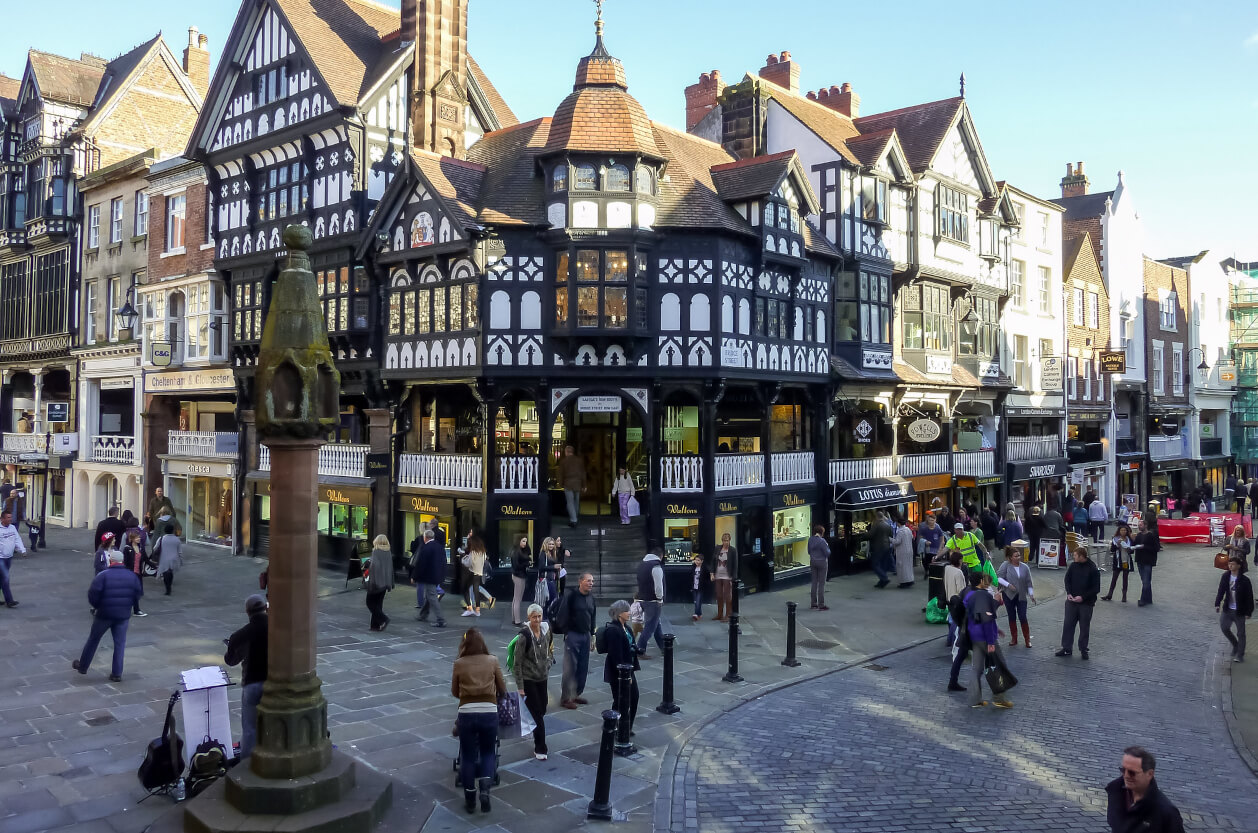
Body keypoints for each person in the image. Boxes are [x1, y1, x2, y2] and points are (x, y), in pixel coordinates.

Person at [450, 628, 506, 814]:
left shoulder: (459, 663)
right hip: (489, 712)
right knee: (488, 752)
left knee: (467, 755)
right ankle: (485, 789)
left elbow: (454, 692)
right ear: (482, 643)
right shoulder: (492, 660)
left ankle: (470, 798)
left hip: (466, 713)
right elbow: (502, 689)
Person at [72, 550, 143, 682]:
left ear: (111, 560)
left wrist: (98, 606)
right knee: (120, 644)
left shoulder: (102, 575)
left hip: (104, 614)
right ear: (122, 561)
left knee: (93, 639)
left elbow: (93, 594)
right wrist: (128, 605)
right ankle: (117, 673)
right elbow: (138, 594)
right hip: (123, 615)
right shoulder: (132, 576)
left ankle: (83, 666)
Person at [224, 594, 268, 757]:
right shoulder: (278, 627)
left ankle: (248, 763)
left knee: (250, 727)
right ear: (265, 608)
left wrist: (231, 647)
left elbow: (231, 660)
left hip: (252, 683)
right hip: (276, 682)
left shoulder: (241, 635)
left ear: (247, 611)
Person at [963, 569, 1013, 709]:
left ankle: (974, 700)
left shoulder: (969, 594)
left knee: (976, 669)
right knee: (999, 665)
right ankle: (999, 698)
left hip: (974, 636)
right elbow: (986, 617)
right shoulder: (983, 596)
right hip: (986, 637)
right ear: (980, 582)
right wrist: (991, 641)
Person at [1105, 746, 1185, 833]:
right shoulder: (1116, 792)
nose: (1126, 776)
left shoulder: (1166, 812)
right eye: (1123, 770)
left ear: (1150, 774)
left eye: (1132, 773)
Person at [512, 604, 553, 761]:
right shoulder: (524, 636)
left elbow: (550, 650)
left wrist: (547, 664)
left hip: (542, 677)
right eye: (534, 617)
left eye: (539, 616)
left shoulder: (545, 631)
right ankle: (540, 747)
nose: (537, 620)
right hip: (529, 679)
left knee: (542, 709)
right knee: (537, 714)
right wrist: (520, 687)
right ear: (529, 618)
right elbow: (517, 663)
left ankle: (530, 725)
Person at [554, 572, 597, 708]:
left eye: (592, 581)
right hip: (573, 635)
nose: (591, 583)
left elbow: (593, 615)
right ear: (580, 582)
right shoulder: (571, 596)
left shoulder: (591, 598)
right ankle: (565, 698)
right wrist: (566, 632)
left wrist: (593, 635)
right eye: (588, 581)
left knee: (583, 667)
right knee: (570, 668)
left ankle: (576, 694)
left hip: (586, 635)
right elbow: (561, 615)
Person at [600, 600, 640, 736]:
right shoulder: (613, 630)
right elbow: (615, 656)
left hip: (628, 669)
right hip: (619, 672)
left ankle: (627, 726)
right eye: (627, 611)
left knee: (633, 697)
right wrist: (624, 676)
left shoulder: (627, 628)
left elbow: (630, 645)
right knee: (620, 699)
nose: (629, 613)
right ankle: (615, 726)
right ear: (619, 613)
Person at [1056, 546, 1100, 660]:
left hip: (1086, 603)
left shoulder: (1092, 569)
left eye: (1075, 555)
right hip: (1072, 601)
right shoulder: (1073, 565)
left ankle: (1083, 649)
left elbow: (1096, 588)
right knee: (1068, 625)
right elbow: (1067, 580)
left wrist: (1083, 597)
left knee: (1084, 627)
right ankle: (1066, 648)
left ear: (1081, 556)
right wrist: (1069, 593)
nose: (1073, 557)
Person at [1216, 555, 1253, 663]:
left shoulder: (1245, 580)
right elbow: (1221, 590)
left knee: (1241, 633)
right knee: (1224, 627)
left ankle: (1240, 655)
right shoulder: (1226, 576)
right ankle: (1235, 644)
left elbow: (1249, 596)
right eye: (1229, 564)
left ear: (1238, 566)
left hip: (1240, 611)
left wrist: (1248, 612)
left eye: (1232, 564)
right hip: (1228, 608)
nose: (1230, 566)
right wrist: (1217, 603)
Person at [997, 546, 1034, 647]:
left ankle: (1027, 639)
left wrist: (1031, 594)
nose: (1019, 557)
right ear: (1010, 558)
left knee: (1022, 616)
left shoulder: (1025, 567)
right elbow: (999, 578)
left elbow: (1028, 582)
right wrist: (1008, 585)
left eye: (1019, 555)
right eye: (1016, 556)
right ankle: (1014, 638)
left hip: (1021, 595)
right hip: (1008, 595)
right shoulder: (1005, 565)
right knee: (1011, 616)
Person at [634, 548, 667, 658]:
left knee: (656, 624)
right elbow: (658, 585)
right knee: (650, 626)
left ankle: (663, 647)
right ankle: (640, 649)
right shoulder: (656, 566)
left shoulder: (642, 565)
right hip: (653, 600)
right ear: (660, 556)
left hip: (643, 598)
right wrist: (660, 598)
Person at [411, 528, 447, 627]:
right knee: (429, 596)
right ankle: (423, 614)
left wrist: (414, 576)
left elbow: (421, 564)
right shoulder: (439, 547)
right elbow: (444, 563)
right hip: (437, 576)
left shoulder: (426, 548)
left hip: (429, 576)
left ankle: (441, 620)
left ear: (425, 537)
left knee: (432, 597)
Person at [365, 534, 394, 631]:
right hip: (385, 582)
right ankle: (375, 625)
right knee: (378, 603)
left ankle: (383, 619)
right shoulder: (388, 552)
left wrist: (368, 563)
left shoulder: (376, 552)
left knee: (370, 602)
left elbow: (374, 566)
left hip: (376, 582)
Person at [460, 531, 492, 617]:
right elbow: (483, 561)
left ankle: (470, 609)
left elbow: (468, 563)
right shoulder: (482, 552)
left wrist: (463, 558)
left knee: (465, 589)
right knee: (476, 591)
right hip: (479, 573)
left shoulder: (473, 552)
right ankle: (477, 611)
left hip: (472, 573)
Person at [1131, 518, 1162, 607]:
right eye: (1138, 525)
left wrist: (1144, 547)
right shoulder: (1139, 535)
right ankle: (1149, 598)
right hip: (1140, 560)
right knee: (1145, 580)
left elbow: (1156, 548)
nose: (1139, 527)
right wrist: (1133, 541)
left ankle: (1143, 599)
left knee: (1146, 580)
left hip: (1148, 560)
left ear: (1145, 526)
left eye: (1140, 525)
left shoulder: (1151, 535)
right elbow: (1134, 546)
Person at [0, 508, 25, 608]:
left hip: (9, 557)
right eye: (8, 517)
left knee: (1, 579)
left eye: (11, 517)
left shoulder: (12, 528)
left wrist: (22, 550)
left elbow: (17, 539)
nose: (11, 519)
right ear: (2, 519)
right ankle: (9, 601)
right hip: (0, 558)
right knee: (5, 578)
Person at [1103, 524, 1135, 603]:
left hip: (1126, 561)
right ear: (1119, 531)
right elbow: (1112, 550)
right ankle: (1110, 594)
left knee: (1125, 578)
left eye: (1125, 530)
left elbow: (1132, 551)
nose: (1123, 532)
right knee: (1114, 577)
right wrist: (1118, 545)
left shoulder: (1129, 539)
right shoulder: (1115, 539)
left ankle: (1124, 595)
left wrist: (1128, 548)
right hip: (1117, 560)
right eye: (1122, 530)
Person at [557, 444, 586, 527]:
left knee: (570, 502)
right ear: (572, 452)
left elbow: (560, 474)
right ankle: (575, 517)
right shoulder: (579, 460)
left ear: (566, 452)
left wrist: (560, 484)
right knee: (576, 502)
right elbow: (583, 473)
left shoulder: (563, 461)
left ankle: (573, 520)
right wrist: (584, 485)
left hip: (568, 484)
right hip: (578, 483)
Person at [119, 532, 146, 616]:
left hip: (138, 574)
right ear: (132, 539)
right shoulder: (127, 548)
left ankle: (135, 610)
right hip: (130, 573)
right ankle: (134, 610)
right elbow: (125, 562)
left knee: (136, 592)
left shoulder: (141, 547)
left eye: (139, 537)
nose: (139, 539)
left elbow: (145, 558)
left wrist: (154, 566)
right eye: (137, 538)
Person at [942, 551, 966, 648]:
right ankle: (951, 640)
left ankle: (949, 640)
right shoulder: (958, 572)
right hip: (956, 600)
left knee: (951, 619)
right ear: (959, 561)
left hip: (949, 598)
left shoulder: (947, 568)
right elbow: (961, 589)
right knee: (956, 622)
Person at [712, 533, 736, 621]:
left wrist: (733, 577)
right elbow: (713, 561)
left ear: (730, 540)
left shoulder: (733, 550)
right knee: (719, 595)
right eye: (724, 540)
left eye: (727, 540)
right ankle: (719, 614)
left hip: (727, 575)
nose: (726, 542)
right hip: (718, 574)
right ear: (722, 541)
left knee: (727, 596)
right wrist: (712, 573)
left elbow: (735, 564)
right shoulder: (718, 548)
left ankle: (728, 615)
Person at [154, 524, 183, 595]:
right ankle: (169, 586)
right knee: (171, 573)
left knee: (165, 573)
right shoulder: (177, 539)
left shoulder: (161, 539)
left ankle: (167, 587)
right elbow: (180, 552)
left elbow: (155, 548)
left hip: (164, 559)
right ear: (173, 530)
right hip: (174, 559)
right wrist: (181, 560)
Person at [509, 536, 531, 626]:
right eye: (523, 541)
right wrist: (527, 563)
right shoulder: (516, 552)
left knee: (516, 598)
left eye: (526, 541)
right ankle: (517, 621)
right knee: (518, 599)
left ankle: (514, 619)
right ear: (519, 541)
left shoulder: (519, 551)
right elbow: (517, 566)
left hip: (519, 575)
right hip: (518, 576)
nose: (525, 543)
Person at [869, 510, 894, 589]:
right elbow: (891, 534)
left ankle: (884, 578)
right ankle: (881, 581)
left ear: (876, 517)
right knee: (883, 564)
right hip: (887, 546)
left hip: (878, 547)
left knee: (875, 564)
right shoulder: (888, 524)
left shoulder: (876, 525)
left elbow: (870, 535)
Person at [808, 524, 831, 607]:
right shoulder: (822, 541)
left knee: (814, 582)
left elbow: (808, 551)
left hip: (813, 561)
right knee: (821, 583)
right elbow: (827, 553)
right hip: (822, 562)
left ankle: (813, 603)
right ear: (822, 532)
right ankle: (821, 604)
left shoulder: (810, 539)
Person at [892, 515, 915, 589]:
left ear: (898, 523)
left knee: (902, 567)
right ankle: (910, 580)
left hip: (902, 551)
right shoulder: (908, 529)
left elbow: (897, 541)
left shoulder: (900, 531)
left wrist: (890, 539)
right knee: (908, 566)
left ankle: (903, 582)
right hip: (909, 550)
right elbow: (912, 537)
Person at [689, 553, 710, 621]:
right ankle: (699, 613)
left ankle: (696, 614)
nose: (696, 562)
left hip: (700, 587)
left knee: (698, 601)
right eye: (695, 560)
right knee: (695, 601)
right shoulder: (693, 567)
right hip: (694, 587)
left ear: (702, 561)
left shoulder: (704, 568)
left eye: (698, 560)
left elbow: (707, 578)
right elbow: (690, 577)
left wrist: (705, 584)